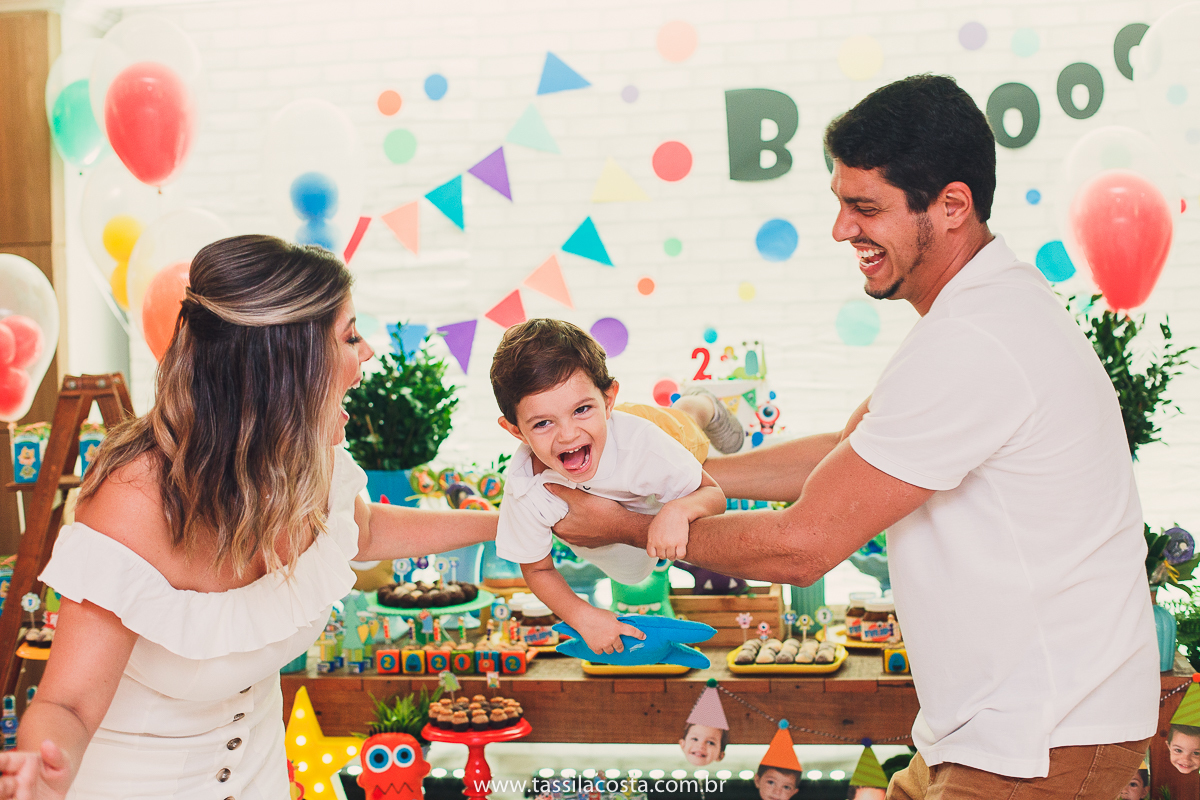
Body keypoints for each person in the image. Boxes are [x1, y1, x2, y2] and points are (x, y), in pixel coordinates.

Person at [548, 74, 1157, 797]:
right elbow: (847, 454)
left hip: (1043, 738)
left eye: (865, 208)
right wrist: (670, 474)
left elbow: (803, 545)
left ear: (952, 206)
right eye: (840, 203)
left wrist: (625, 525)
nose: (842, 230)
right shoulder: (979, 313)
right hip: (995, 729)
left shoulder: (977, 339)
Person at [0, 236, 496, 799]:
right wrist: (43, 774)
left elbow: (363, 529)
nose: (369, 353)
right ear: (287, 362)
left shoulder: (304, 464)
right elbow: (66, 705)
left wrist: (507, 525)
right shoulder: (135, 498)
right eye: (350, 336)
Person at [490, 318, 732, 654]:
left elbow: (713, 494)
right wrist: (583, 617)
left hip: (658, 430)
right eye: (543, 422)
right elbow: (537, 568)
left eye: (581, 409)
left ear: (608, 399)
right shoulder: (525, 485)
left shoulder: (645, 447)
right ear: (516, 430)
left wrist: (679, 510)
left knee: (688, 423)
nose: (568, 435)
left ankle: (703, 402)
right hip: (605, 433)